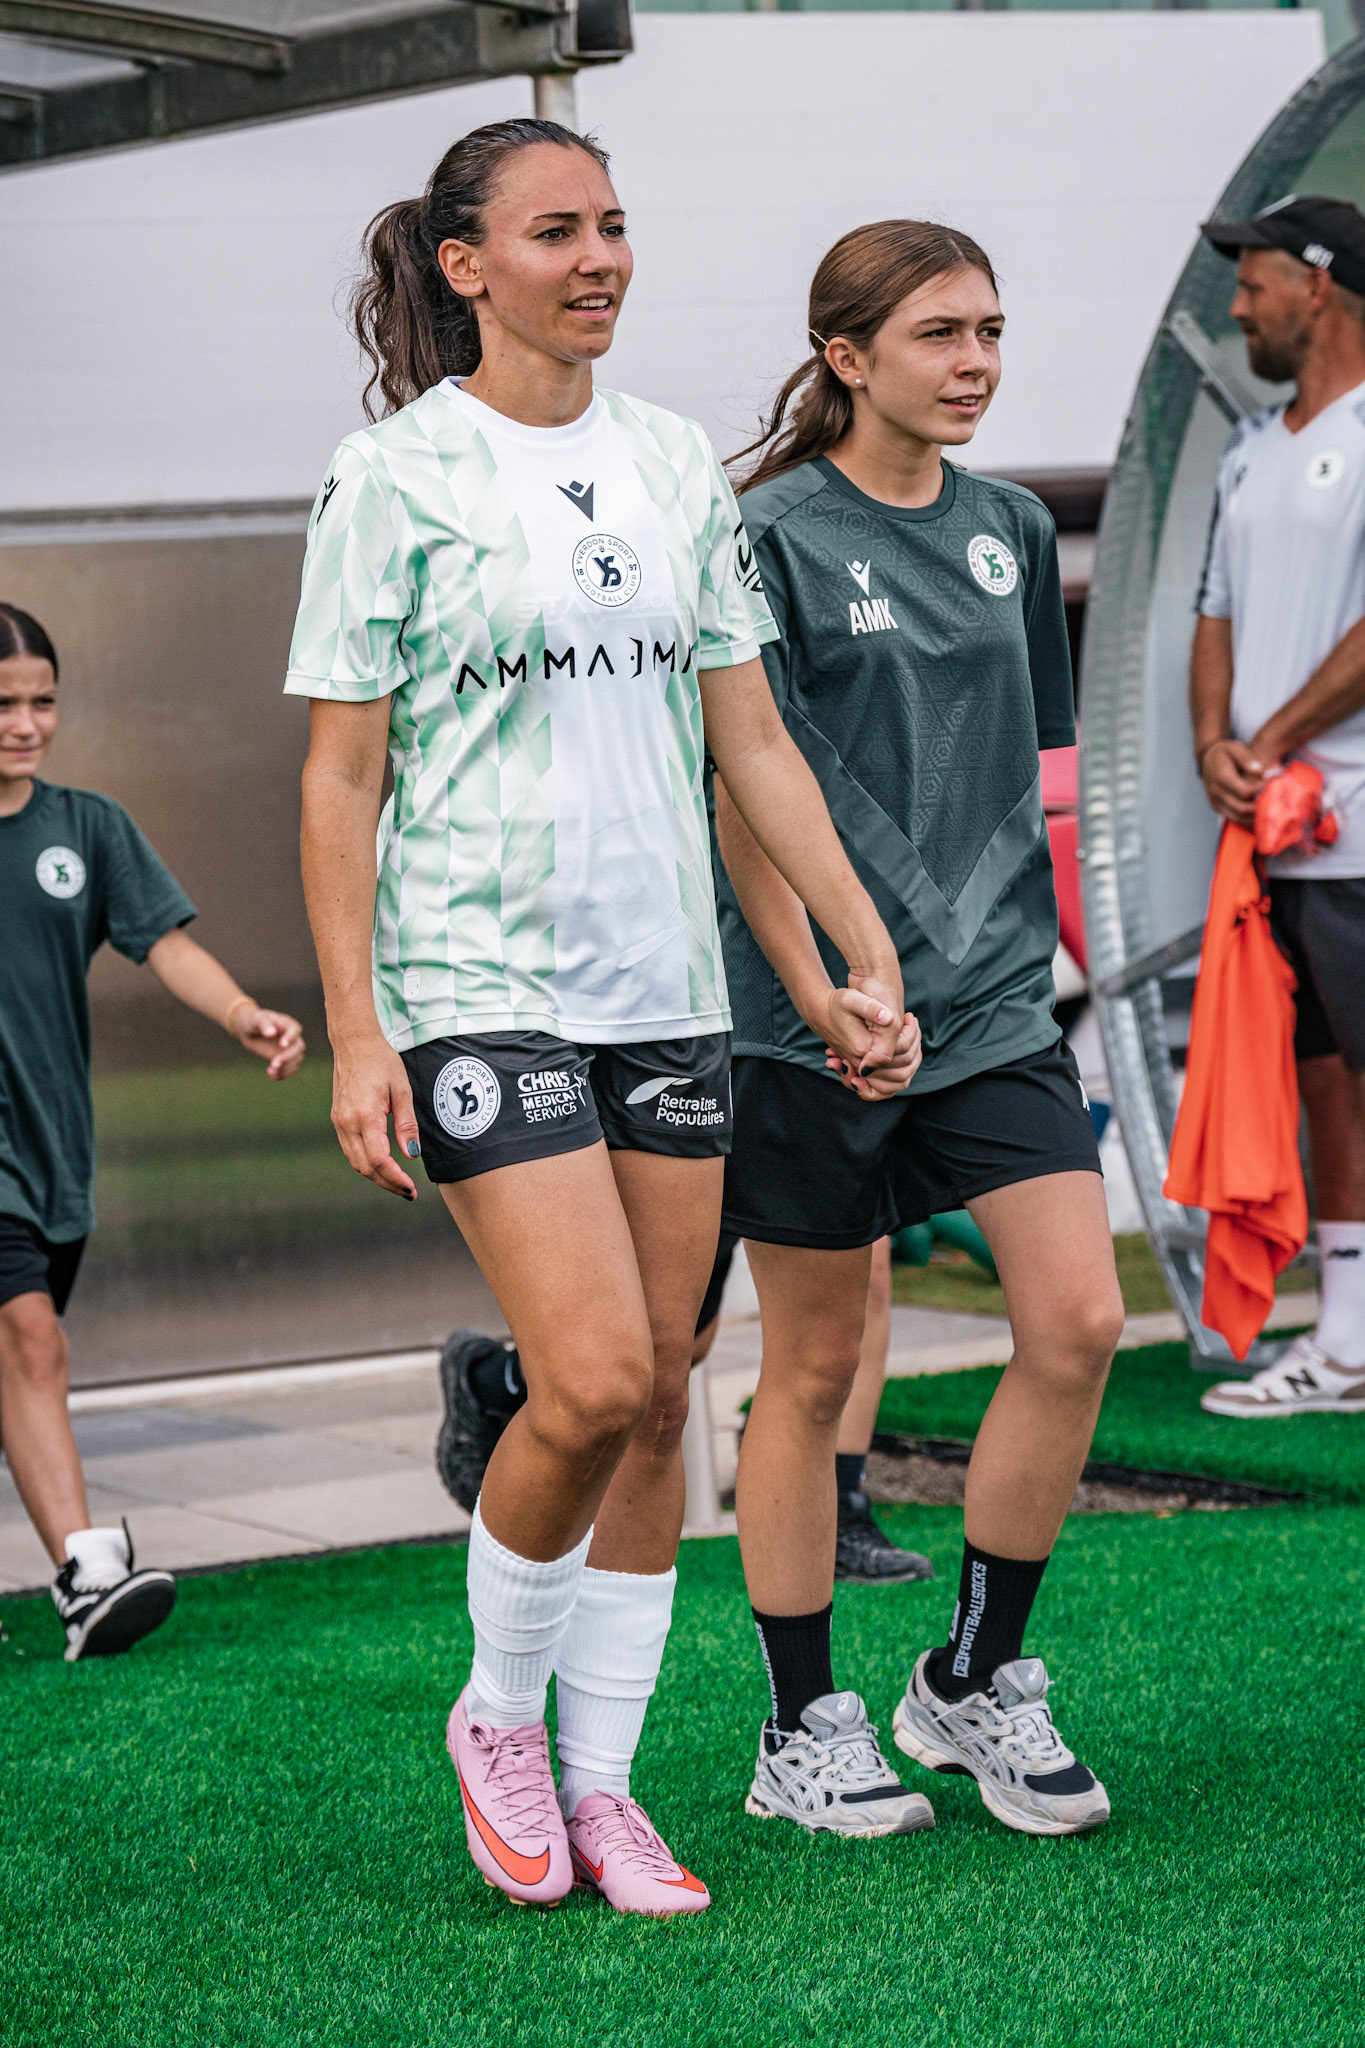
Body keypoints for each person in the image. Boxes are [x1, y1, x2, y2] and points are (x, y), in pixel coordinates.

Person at [289, 120, 915, 1913]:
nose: (601, 258)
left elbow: (754, 741)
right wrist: (354, 1031)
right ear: (467, 262)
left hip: (668, 991)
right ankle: (497, 1712)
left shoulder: (669, 467)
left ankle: (607, 1780)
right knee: (596, 1373)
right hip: (477, 983)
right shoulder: (392, 477)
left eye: (618, 226)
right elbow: (341, 782)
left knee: (664, 1410)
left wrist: (858, 955)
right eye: (558, 230)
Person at [712, 219, 1122, 1839]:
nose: (978, 363)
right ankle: (800, 1717)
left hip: (997, 1008)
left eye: (993, 330)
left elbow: (1028, 773)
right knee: (813, 1365)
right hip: (805, 1021)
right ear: (847, 357)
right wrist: (826, 989)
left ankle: (969, 1680)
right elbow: (749, 790)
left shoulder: (1017, 526)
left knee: (1080, 1323)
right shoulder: (766, 537)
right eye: (942, 333)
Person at [0, 602, 305, 1660]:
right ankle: (90, 1574)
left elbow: (165, 943)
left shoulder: (84, 828)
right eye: (3, 703)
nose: (25, 722)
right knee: (31, 1340)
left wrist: (240, 1014)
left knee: (20, 1356)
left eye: (41, 700)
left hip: (51, 1150)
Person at [1190, 196, 1365, 1420]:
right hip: (1273, 838)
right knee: (1321, 1080)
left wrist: (1272, 737)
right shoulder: (1250, 443)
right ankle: (1346, 1339)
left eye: (1254, 284)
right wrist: (1214, 745)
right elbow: (1216, 614)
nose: (1238, 306)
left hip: (1352, 819)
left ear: (1319, 283)